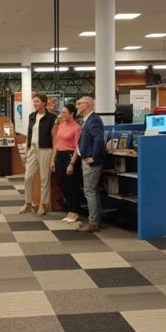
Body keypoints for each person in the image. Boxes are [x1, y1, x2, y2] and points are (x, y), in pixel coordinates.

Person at [19, 93, 57, 216]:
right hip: (32, 148)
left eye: (37, 102)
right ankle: (28, 203)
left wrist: (53, 157)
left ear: (44, 103)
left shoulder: (52, 118)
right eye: (33, 102)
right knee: (27, 177)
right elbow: (29, 134)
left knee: (44, 179)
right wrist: (27, 149)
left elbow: (54, 138)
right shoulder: (31, 116)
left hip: (45, 149)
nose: (34, 104)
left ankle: (42, 204)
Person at [75, 96, 106, 232]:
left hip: (91, 162)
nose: (77, 106)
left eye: (79, 104)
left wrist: (94, 157)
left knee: (90, 191)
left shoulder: (93, 120)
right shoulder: (88, 120)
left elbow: (99, 139)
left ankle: (93, 223)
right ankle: (94, 220)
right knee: (91, 191)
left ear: (87, 105)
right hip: (86, 160)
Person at [50, 103, 82, 223]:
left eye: (64, 113)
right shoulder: (61, 126)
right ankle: (69, 210)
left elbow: (77, 147)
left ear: (71, 114)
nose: (61, 115)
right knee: (64, 185)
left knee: (72, 185)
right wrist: (53, 159)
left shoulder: (77, 128)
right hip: (60, 155)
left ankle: (75, 211)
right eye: (61, 112)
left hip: (70, 156)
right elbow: (56, 143)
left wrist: (72, 163)